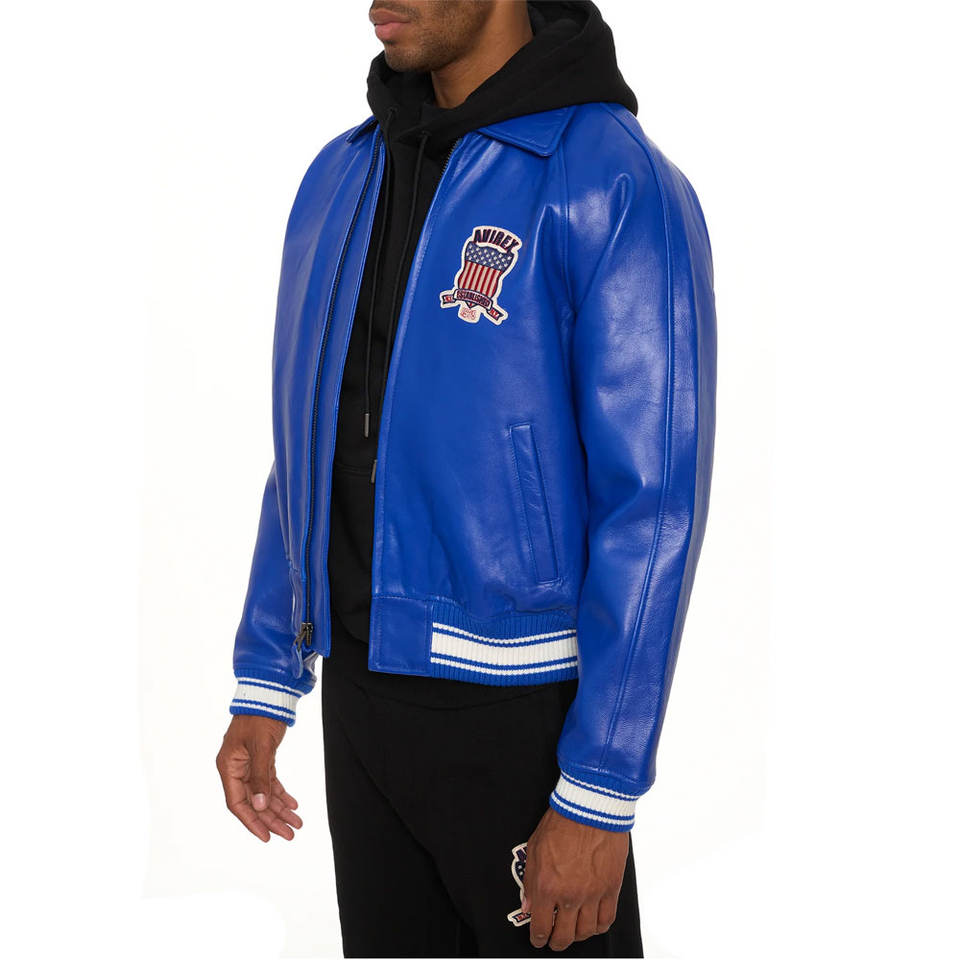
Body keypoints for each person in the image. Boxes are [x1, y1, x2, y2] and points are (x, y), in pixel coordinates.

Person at [215, 1, 716, 956]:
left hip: (522, 711)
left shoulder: (610, 180)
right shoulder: (342, 175)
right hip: (361, 696)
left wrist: (601, 788)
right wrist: (267, 678)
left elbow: (652, 507)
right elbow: (306, 441)